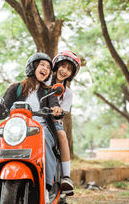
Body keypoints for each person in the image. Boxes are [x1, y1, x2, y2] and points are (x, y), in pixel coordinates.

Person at [0, 52, 63, 197]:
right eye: (42, 65)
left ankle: (47, 185)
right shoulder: (16, 87)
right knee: (0, 138)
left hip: (41, 128)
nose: (45, 69)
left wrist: (56, 110)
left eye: (48, 67)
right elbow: (4, 106)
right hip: (18, 127)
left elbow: (54, 104)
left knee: (45, 141)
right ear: (33, 67)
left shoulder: (49, 91)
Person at [51, 51, 81, 197]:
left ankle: (66, 177)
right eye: (63, 66)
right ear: (56, 66)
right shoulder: (41, 83)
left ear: (71, 74)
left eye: (69, 69)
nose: (64, 71)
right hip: (34, 121)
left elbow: (64, 111)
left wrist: (58, 111)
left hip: (53, 123)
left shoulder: (68, 93)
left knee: (62, 135)